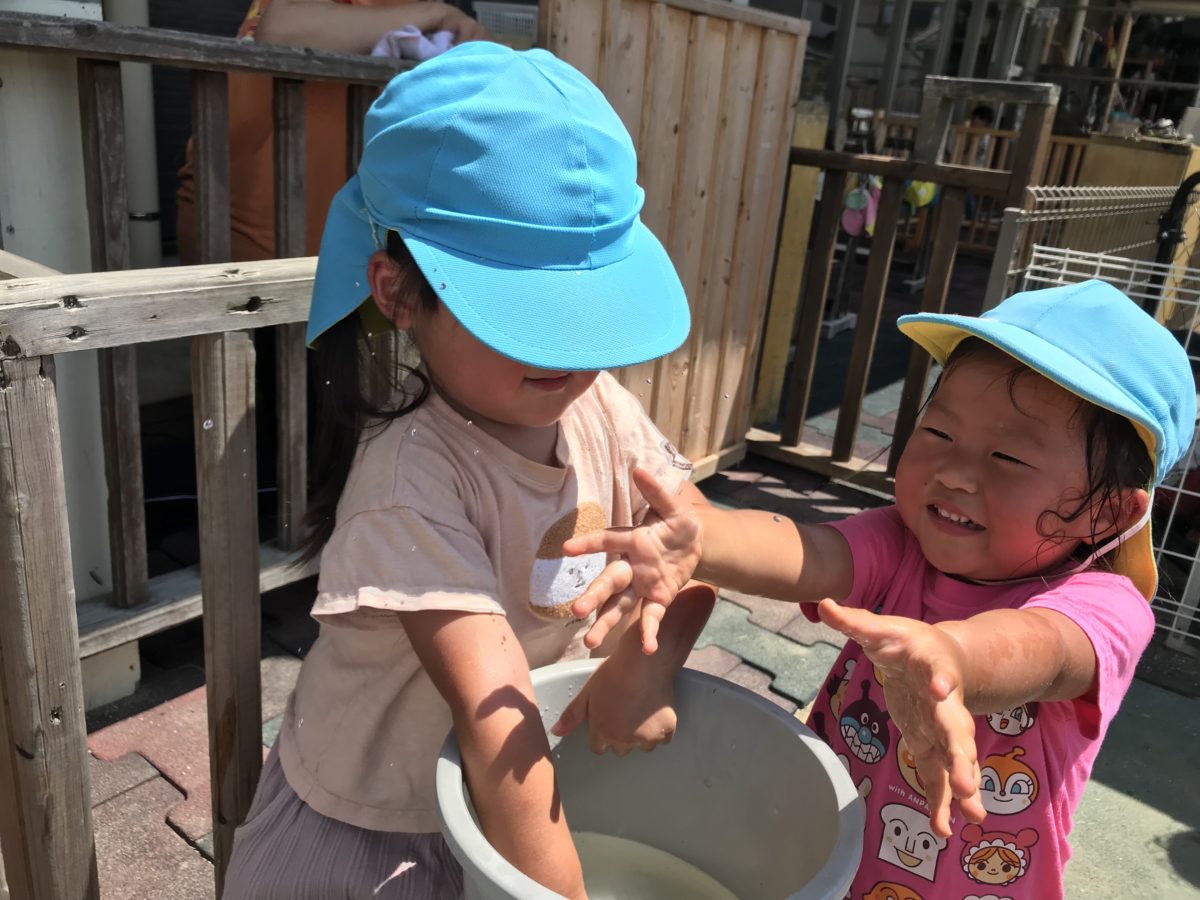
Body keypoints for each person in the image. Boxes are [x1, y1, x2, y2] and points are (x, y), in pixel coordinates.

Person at [221, 42, 715, 899]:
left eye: (585, 312)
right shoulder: (411, 482)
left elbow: (689, 537)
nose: (567, 350)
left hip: (503, 813)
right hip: (375, 830)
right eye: (529, 315)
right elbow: (496, 726)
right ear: (396, 293)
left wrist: (651, 652)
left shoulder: (598, 405)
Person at [564, 279, 1196, 899]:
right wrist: (704, 541)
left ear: (1108, 514)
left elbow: (1045, 648)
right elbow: (806, 550)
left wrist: (952, 658)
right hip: (825, 853)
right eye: (940, 433)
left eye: (1008, 459)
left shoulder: (1106, 606)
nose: (955, 472)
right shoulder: (902, 541)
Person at [175, 0, 487, 264]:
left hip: (356, 257)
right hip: (245, 246)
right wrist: (436, 14)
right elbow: (280, 31)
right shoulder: (430, 13)